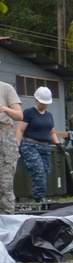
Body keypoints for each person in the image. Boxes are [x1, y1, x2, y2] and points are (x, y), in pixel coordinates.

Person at [16, 86, 60, 201]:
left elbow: (52, 132)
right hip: (30, 146)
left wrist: (58, 143)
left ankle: (40, 196)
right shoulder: (29, 113)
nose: (44, 105)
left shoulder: (49, 115)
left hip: (45, 147)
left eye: (46, 103)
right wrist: (17, 145)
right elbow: (20, 130)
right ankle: (39, 199)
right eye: (42, 102)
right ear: (37, 100)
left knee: (45, 172)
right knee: (38, 172)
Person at [0, 79, 23, 213]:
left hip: (4, 137)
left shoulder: (6, 88)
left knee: (5, 185)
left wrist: (5, 109)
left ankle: (7, 224)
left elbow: (19, 115)